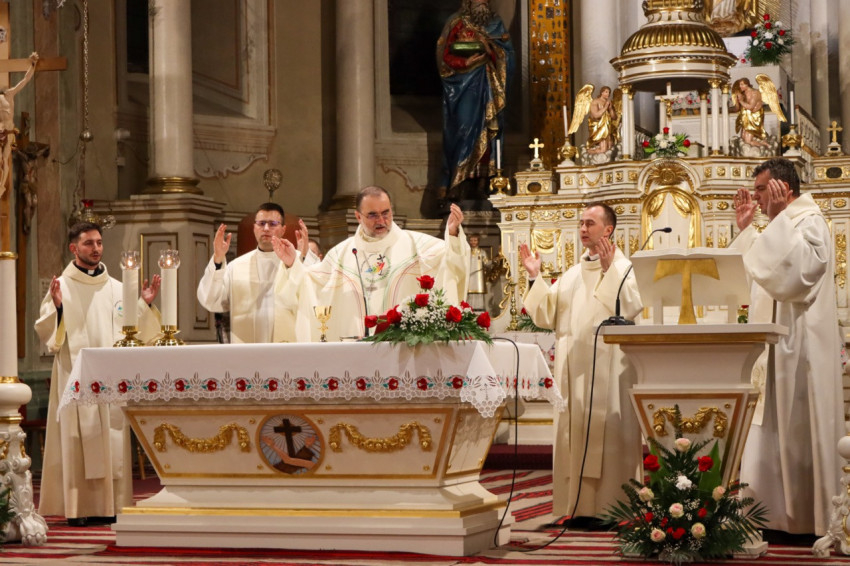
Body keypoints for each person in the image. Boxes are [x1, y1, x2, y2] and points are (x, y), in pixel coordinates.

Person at [733, 158, 844, 536]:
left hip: (800, 347)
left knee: (796, 430)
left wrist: (777, 220)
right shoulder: (784, 223)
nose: (756, 198)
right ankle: (770, 515)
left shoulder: (809, 221)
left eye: (761, 190)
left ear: (784, 188)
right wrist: (748, 232)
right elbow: (757, 275)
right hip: (775, 346)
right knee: (769, 428)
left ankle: (803, 518)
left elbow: (797, 277)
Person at [520, 202, 642, 524]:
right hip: (573, 369)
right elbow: (546, 314)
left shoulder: (624, 268)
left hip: (609, 368)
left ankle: (615, 509)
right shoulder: (572, 274)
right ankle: (576, 509)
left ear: (608, 230)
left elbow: (630, 307)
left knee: (609, 435)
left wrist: (609, 270)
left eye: (590, 223)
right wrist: (534, 276)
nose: (583, 229)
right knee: (572, 435)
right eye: (581, 223)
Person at [34, 222, 161, 526]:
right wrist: (58, 309)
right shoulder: (62, 287)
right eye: (88, 243)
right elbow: (49, 334)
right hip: (75, 376)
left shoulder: (117, 288)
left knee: (111, 439)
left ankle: (112, 506)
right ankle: (78, 509)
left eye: (99, 242)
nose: (96, 248)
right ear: (73, 248)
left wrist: (143, 304)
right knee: (79, 440)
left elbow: (132, 332)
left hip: (110, 381)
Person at [272, 186, 470, 342]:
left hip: (406, 353)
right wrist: (292, 265)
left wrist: (453, 233)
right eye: (373, 215)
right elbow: (311, 284)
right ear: (358, 216)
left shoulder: (417, 246)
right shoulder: (342, 254)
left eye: (386, 213)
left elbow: (451, 261)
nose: (381, 220)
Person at [197, 202, 318, 343]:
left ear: (283, 229)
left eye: (273, 224)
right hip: (247, 351)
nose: (266, 228)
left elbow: (316, 297)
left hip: (288, 350)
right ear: (254, 228)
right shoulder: (236, 267)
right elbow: (211, 301)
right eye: (261, 223)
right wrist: (218, 258)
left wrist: (302, 258)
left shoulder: (297, 260)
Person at [437, 0, 514, 201]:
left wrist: (490, 49)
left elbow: (507, 56)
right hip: (463, 88)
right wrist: (465, 62)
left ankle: (484, 183)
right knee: (463, 129)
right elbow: (444, 57)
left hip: (489, 88)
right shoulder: (456, 22)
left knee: (488, 133)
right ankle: (458, 182)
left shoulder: (496, 24)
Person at [0, 51, 38, 198]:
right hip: (0, 131)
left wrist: (33, 65)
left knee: (5, 158)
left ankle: (2, 185)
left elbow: (24, 80)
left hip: (9, 130)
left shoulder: (9, 94)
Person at [732, 77, 768, 148]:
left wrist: (741, 101)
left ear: (747, 84)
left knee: (747, 141)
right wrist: (737, 99)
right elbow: (737, 108)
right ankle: (762, 143)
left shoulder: (755, 93)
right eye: (739, 85)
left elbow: (751, 107)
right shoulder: (743, 93)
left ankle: (765, 146)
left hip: (755, 117)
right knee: (743, 138)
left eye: (742, 84)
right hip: (747, 117)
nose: (740, 86)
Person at [586, 86, 618, 155]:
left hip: (607, 127)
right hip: (599, 128)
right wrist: (605, 107)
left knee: (610, 147)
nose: (608, 94)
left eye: (609, 92)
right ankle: (589, 152)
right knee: (603, 149)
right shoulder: (595, 102)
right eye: (606, 92)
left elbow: (614, 117)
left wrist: (610, 109)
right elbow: (596, 115)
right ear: (602, 92)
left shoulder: (609, 102)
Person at [467, 234, 489, 311]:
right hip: (469, 275)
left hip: (478, 276)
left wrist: (493, 262)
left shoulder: (482, 252)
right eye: (471, 240)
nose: (473, 242)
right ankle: (469, 308)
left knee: (478, 291)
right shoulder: (466, 252)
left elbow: (486, 263)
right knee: (469, 291)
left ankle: (479, 308)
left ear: (478, 241)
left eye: (475, 240)